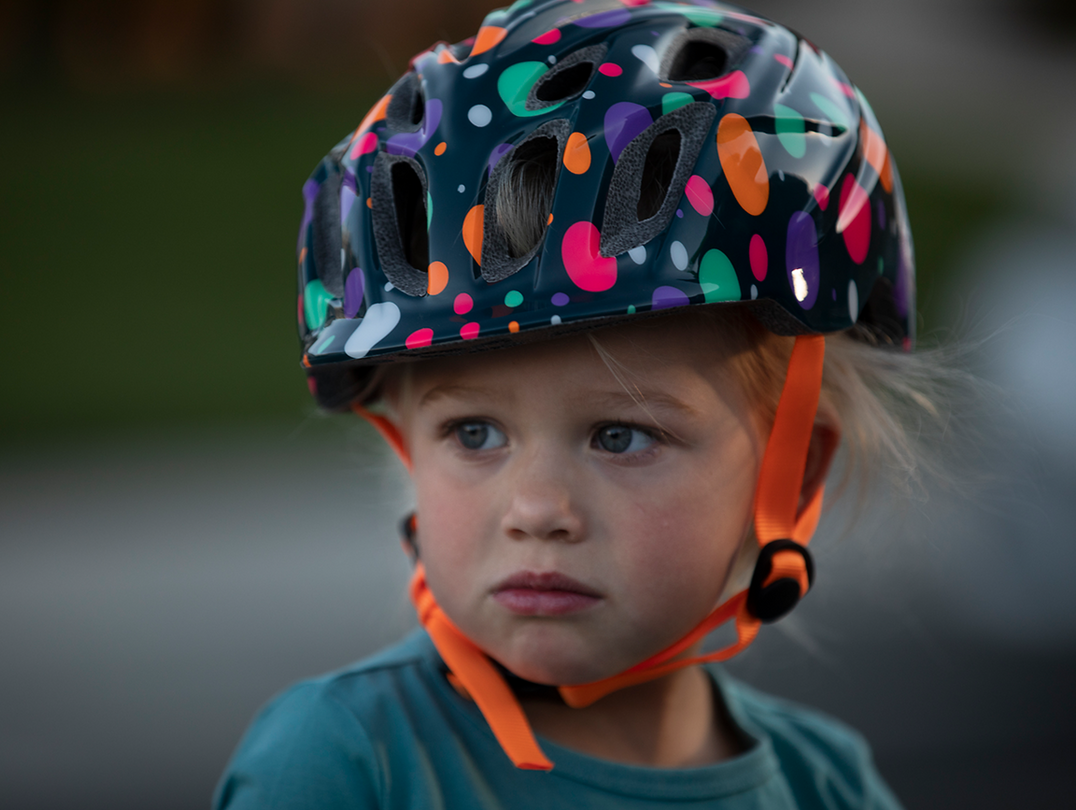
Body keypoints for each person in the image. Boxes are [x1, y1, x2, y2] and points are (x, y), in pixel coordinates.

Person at [217, 1, 930, 806]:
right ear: (407, 443)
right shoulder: (342, 766)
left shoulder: (830, 786)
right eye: (474, 432)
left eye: (621, 436)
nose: (536, 509)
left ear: (793, 473)